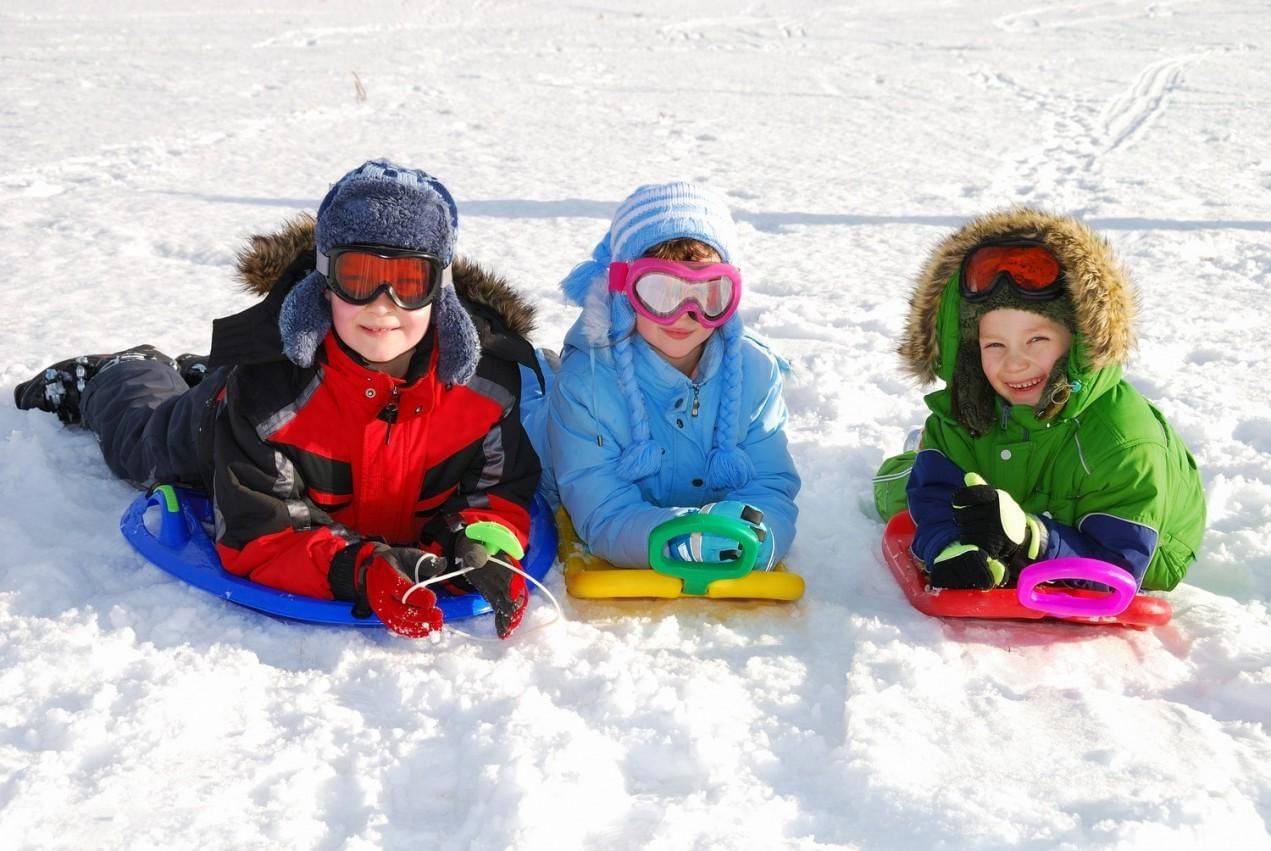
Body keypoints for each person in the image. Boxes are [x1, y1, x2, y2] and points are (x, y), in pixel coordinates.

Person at [14, 160, 541, 639]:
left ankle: (198, 369)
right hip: (219, 419)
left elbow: (495, 490)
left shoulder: (487, 388)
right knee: (142, 445)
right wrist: (358, 571)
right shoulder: (269, 394)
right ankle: (123, 370)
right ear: (326, 282)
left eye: (408, 280)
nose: (383, 305)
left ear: (440, 290)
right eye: (359, 277)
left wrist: (482, 542)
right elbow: (262, 534)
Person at [873, 208, 1205, 592]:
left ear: (1078, 342)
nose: (1015, 363)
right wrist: (951, 546)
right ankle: (916, 455)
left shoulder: (1123, 443)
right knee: (899, 492)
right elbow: (934, 497)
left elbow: (1120, 562)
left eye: (1037, 340)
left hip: (1146, 543)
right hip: (1012, 484)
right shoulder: (964, 413)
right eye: (994, 344)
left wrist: (1031, 541)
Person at [546, 181, 800, 569]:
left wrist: (760, 536)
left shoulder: (756, 372)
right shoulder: (587, 386)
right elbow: (602, 508)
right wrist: (676, 538)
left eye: (708, 293)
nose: (685, 314)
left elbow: (770, 484)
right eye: (661, 291)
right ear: (624, 292)